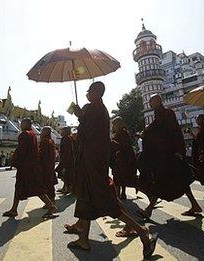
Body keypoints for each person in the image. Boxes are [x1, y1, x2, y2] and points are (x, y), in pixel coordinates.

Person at [65, 82, 156, 259]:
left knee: (105, 202)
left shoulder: (95, 109)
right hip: (91, 162)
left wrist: (81, 117)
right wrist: (82, 117)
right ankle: (83, 239)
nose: (86, 94)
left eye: (89, 91)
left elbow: (88, 134)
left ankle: (142, 232)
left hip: (93, 163)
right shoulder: (97, 109)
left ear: (97, 92)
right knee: (87, 197)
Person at [136, 94, 202, 219]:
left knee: (161, 181)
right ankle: (195, 205)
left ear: (157, 101)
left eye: (151, 101)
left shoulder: (166, 113)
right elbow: (156, 131)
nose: (149, 103)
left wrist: (178, 150)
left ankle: (149, 209)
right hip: (164, 154)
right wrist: (146, 134)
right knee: (180, 180)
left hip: (169, 155)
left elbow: (173, 132)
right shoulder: (159, 115)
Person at [3, 118, 57, 218]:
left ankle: (50, 206)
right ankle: (14, 209)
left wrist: (15, 162)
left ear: (26, 124)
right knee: (23, 187)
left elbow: (22, 150)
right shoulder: (32, 134)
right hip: (32, 166)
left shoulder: (24, 135)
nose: (20, 125)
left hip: (26, 166)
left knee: (36, 188)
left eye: (22, 123)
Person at [110, 117, 138, 200]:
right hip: (121, 159)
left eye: (115, 125)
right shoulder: (120, 133)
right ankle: (121, 194)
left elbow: (122, 146)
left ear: (119, 124)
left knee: (119, 178)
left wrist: (112, 143)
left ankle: (119, 195)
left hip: (124, 160)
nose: (114, 127)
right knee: (120, 178)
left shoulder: (123, 133)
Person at [39, 126, 57, 206]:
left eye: (42, 131)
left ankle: (50, 203)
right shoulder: (51, 141)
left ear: (46, 132)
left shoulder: (45, 141)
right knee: (49, 184)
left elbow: (43, 155)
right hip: (50, 166)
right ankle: (51, 200)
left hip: (45, 166)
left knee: (46, 184)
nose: (41, 133)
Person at [56, 126, 74, 194]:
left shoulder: (67, 139)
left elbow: (67, 151)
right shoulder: (65, 138)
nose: (61, 132)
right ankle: (65, 187)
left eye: (62, 131)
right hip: (65, 159)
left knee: (66, 174)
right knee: (63, 174)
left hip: (67, 160)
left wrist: (63, 161)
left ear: (66, 131)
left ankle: (69, 188)